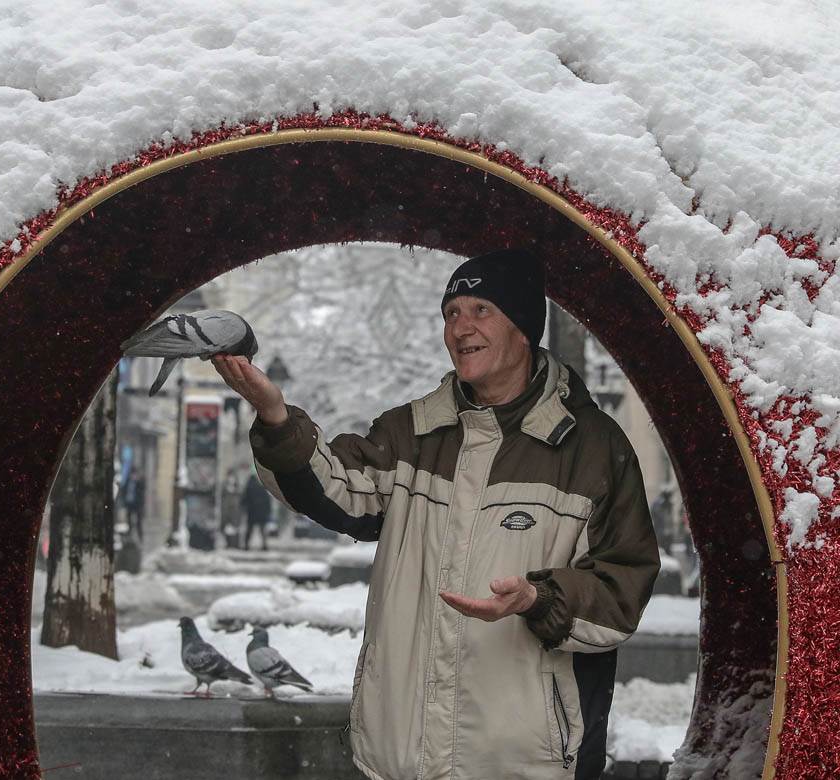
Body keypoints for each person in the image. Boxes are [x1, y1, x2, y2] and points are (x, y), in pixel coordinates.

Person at [212, 248, 660, 780]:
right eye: (451, 313)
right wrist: (275, 417)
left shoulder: (594, 448)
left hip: (528, 764)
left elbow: (620, 594)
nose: (460, 328)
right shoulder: (411, 432)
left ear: (523, 328)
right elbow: (336, 487)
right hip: (403, 757)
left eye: (480, 310)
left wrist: (539, 599)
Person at [240, 466, 273, 551]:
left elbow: (244, 500)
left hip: (252, 512)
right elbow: (267, 500)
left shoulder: (248, 487)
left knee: (249, 529)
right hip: (261, 513)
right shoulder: (262, 487)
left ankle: (246, 545)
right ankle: (264, 545)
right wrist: (268, 511)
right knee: (262, 530)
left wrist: (243, 508)